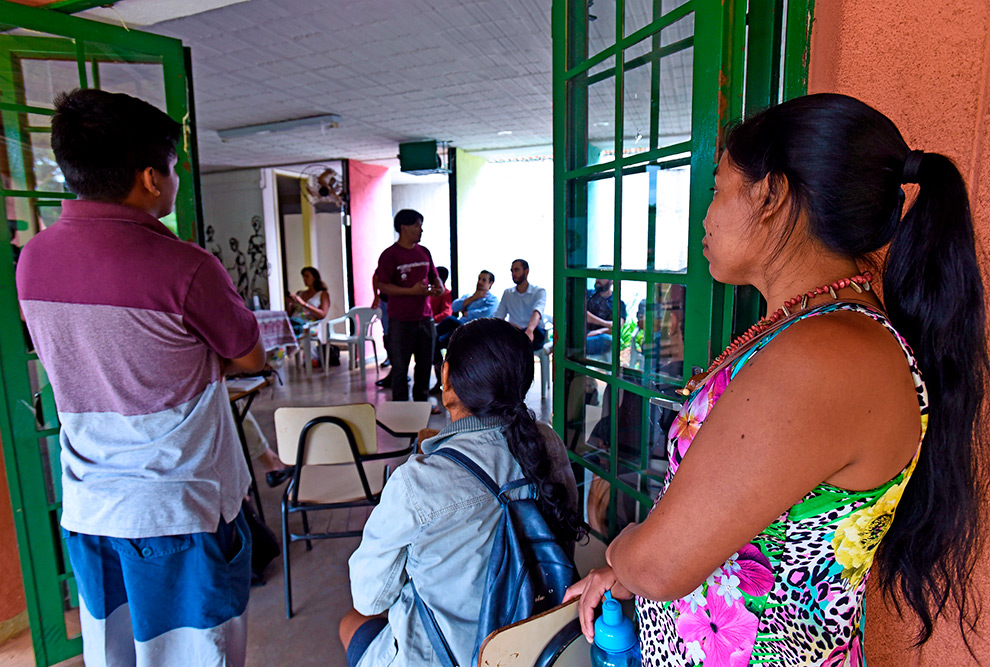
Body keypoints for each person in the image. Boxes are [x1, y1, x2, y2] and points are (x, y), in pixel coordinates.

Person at [564, 93, 987, 664]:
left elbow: (660, 566)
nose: (705, 216)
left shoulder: (828, 354)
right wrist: (626, 575)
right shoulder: (809, 331)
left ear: (771, 195)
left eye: (717, 189)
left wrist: (622, 557)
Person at [16, 89, 266, 666]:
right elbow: (250, 356)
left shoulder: (34, 259)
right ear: (151, 178)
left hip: (90, 505)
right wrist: (196, 358)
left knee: (116, 653)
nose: (174, 180)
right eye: (174, 169)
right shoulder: (182, 265)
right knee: (199, 654)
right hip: (177, 507)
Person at [340, 318, 585, 667]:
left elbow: (370, 598)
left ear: (446, 377)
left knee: (351, 623)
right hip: (535, 646)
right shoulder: (548, 443)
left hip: (442, 658)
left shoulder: (417, 482)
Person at [374, 209, 444, 403]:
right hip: (400, 321)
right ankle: (401, 409)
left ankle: (421, 406)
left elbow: (435, 277)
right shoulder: (390, 255)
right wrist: (411, 292)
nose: (421, 229)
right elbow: (382, 285)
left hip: (425, 319)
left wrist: (439, 287)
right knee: (400, 368)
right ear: (403, 228)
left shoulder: (424, 251)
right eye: (417, 225)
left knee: (423, 367)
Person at [431, 269, 498, 393]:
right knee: (434, 342)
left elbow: (485, 314)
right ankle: (441, 378)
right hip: (459, 330)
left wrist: (467, 311)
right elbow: (454, 306)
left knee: (450, 320)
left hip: (475, 332)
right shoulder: (469, 296)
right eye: (479, 279)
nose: (480, 282)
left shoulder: (492, 300)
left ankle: (429, 333)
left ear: (491, 283)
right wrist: (473, 298)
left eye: (484, 280)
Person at [492, 259, 547, 351]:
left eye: (516, 270)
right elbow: (499, 316)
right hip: (515, 332)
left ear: (526, 271)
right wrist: (510, 325)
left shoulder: (539, 291)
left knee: (528, 337)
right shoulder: (507, 293)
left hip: (534, 332)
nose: (513, 274)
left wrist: (529, 330)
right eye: (512, 271)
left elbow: (537, 312)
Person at [585, 271, 626, 357]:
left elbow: (617, 326)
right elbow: (582, 314)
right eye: (597, 277)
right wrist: (606, 324)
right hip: (583, 334)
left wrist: (598, 331)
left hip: (601, 338)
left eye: (602, 278)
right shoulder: (588, 295)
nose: (597, 280)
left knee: (606, 339)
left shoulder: (618, 303)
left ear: (611, 281)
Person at [287, 265, 330, 336]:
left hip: (309, 324)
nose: (304, 279)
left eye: (307, 276)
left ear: (314, 278)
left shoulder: (323, 294)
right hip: (294, 320)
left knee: (292, 329)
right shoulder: (300, 293)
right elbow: (291, 312)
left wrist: (304, 304)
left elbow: (322, 315)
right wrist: (289, 303)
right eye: (303, 277)